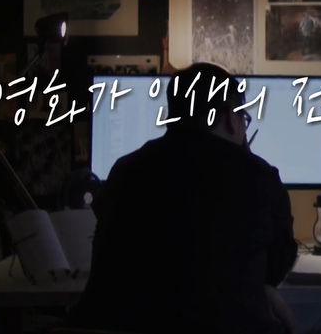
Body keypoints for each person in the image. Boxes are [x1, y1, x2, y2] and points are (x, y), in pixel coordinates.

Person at [63, 63, 299, 334]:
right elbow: (274, 269)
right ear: (230, 118)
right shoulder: (260, 177)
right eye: (243, 119)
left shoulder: (125, 170)